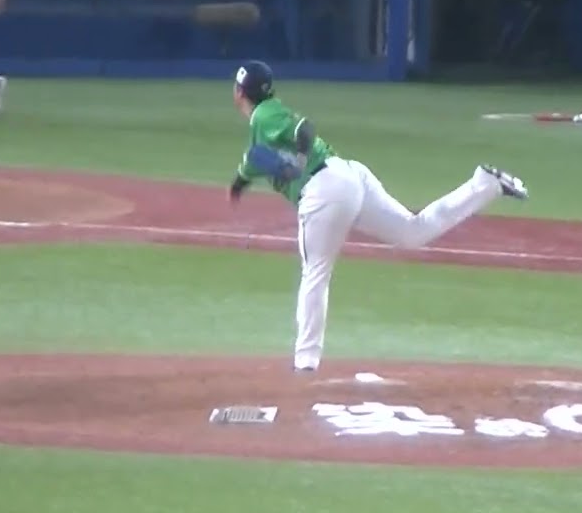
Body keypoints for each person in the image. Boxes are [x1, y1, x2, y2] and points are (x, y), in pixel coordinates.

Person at [226, 61, 529, 372]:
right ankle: (485, 185)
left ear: (239, 93)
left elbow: (304, 128)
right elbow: (252, 161)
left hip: (324, 191)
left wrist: (299, 161)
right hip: (350, 176)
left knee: (315, 272)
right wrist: (238, 184)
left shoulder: (264, 115)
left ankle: (305, 362)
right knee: (412, 233)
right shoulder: (262, 128)